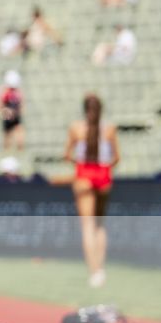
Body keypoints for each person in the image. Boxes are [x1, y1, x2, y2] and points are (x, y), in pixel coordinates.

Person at [66, 94, 118, 289]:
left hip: (84, 173)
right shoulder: (110, 129)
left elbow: (67, 154)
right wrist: (105, 168)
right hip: (103, 173)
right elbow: (116, 157)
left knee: (87, 226)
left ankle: (94, 271)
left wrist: (79, 164)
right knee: (100, 224)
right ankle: (101, 268)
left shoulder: (76, 128)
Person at [0, 70, 25, 156]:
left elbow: (21, 104)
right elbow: (0, 104)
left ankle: (19, 152)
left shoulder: (15, 92)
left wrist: (16, 113)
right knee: (8, 134)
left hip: (14, 116)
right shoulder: (6, 92)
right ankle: (8, 152)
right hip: (8, 116)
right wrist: (5, 113)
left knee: (18, 133)